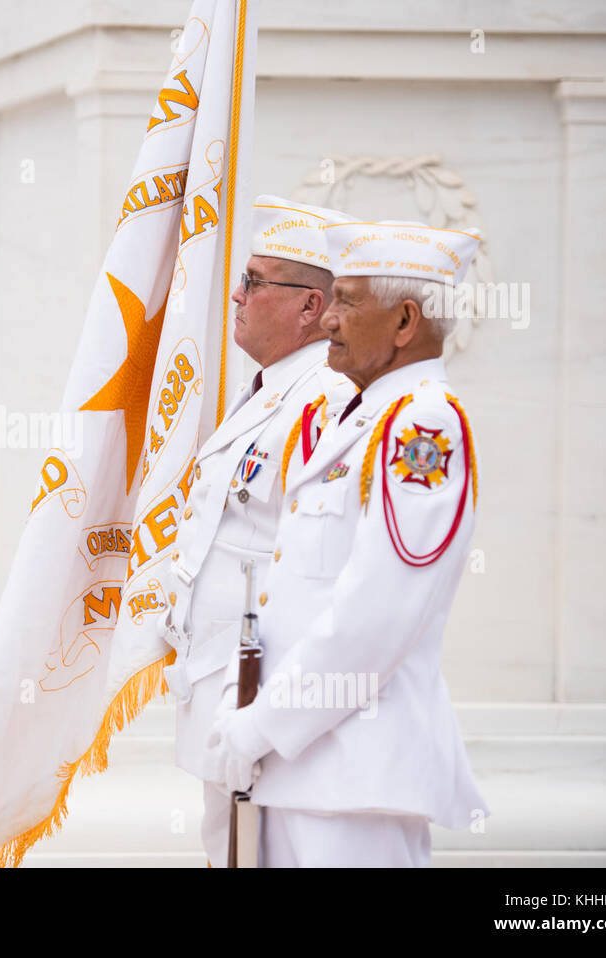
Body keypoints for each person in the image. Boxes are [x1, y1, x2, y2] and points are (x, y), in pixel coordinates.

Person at [206, 219, 490, 866]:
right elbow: (285, 591)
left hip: (356, 771)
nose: (327, 319)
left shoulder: (423, 422)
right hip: (298, 765)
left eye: (348, 301)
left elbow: (379, 614)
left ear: (404, 322)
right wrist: (239, 704)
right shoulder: (353, 421)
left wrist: (260, 726)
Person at [161, 196, 355, 867]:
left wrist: (269, 707)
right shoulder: (268, 388)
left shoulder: (322, 401)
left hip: (261, 685)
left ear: (310, 308)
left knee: (266, 856)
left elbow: (317, 565)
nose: (237, 295)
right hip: (223, 678)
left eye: (256, 281)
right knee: (233, 853)